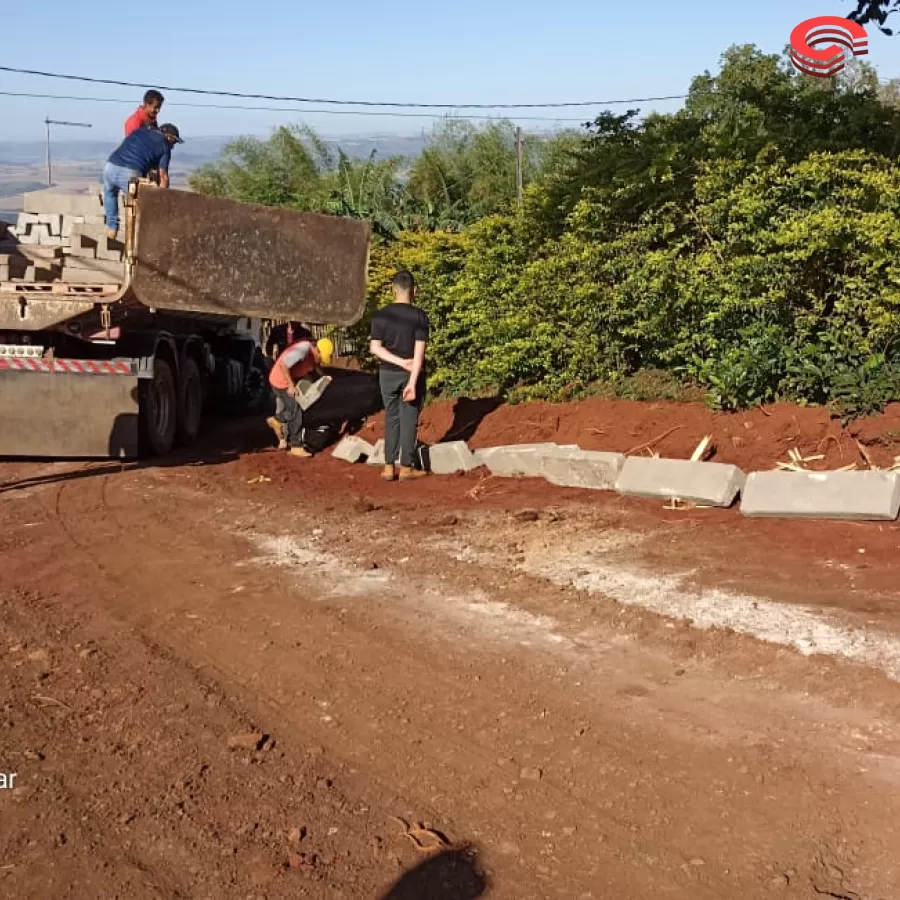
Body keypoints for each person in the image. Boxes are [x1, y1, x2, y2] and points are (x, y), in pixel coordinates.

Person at [369, 270, 429, 482]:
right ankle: (405, 467)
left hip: (387, 374)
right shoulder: (420, 316)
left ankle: (387, 467)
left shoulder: (381, 315)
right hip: (409, 375)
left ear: (393, 290)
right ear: (414, 290)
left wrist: (397, 361)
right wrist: (412, 379)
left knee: (391, 417)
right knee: (409, 418)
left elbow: (375, 348)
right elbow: (419, 354)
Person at [103, 123, 183, 239]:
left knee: (110, 194)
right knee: (139, 207)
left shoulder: (141, 131)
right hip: (130, 173)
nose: (173, 146)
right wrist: (162, 199)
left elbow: (122, 145)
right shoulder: (165, 147)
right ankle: (139, 238)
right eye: (174, 142)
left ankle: (111, 229)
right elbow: (163, 177)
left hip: (110, 166)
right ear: (169, 137)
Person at [267, 336, 334, 457]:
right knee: (296, 410)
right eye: (321, 357)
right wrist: (291, 385)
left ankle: (278, 420)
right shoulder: (303, 350)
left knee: (295, 409)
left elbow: (315, 367)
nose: (321, 360)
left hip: (287, 379)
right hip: (280, 381)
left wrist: (325, 378)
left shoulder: (311, 352)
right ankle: (296, 446)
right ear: (317, 351)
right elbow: (284, 364)